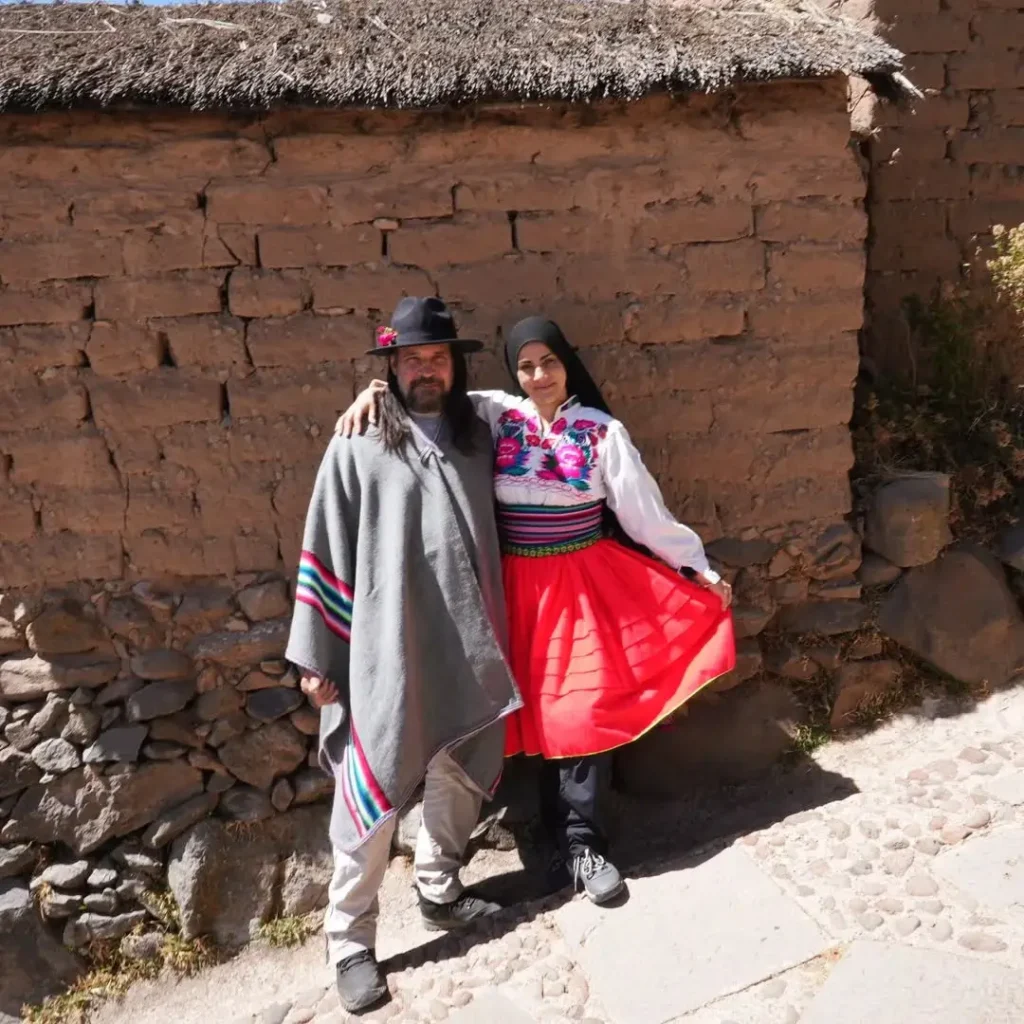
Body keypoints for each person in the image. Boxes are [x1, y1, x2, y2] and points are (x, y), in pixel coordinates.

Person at [337, 316, 735, 907]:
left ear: (567, 362)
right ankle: (550, 839)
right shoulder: (499, 416)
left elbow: (642, 513)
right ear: (513, 372)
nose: (538, 375)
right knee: (527, 718)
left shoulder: (603, 433)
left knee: (582, 716)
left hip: (581, 585)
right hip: (514, 591)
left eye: (548, 362)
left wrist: (696, 568)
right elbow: (426, 394)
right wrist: (372, 392)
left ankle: (585, 844)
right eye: (526, 365)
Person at [287, 296, 522, 1013]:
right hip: (385, 652)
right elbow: (324, 544)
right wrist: (316, 658)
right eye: (412, 359)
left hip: (471, 648)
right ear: (390, 366)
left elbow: (534, 398)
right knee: (371, 786)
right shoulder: (356, 445)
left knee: (460, 773)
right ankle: (350, 941)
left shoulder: (479, 432)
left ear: (456, 366)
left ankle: (439, 887)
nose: (426, 369)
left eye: (439, 357)